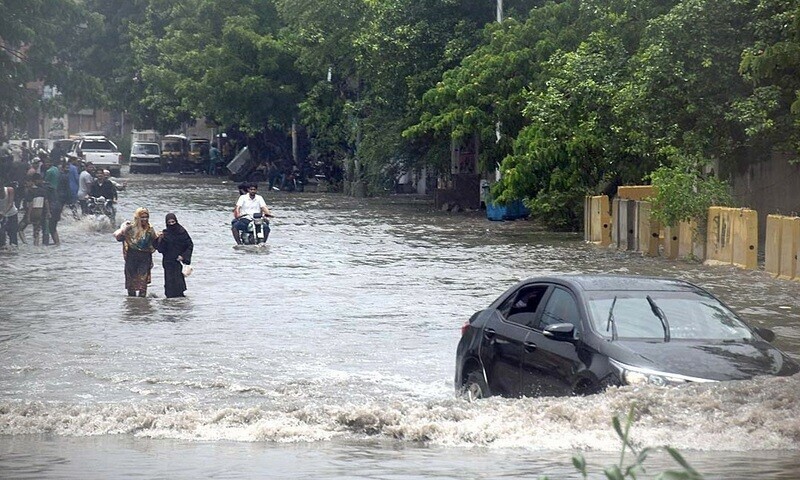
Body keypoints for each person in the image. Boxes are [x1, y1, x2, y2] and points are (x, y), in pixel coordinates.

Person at [114, 207, 159, 297]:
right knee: (131, 283)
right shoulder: (130, 227)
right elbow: (118, 237)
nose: (144, 219)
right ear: (137, 217)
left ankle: (143, 303)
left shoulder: (150, 229)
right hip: (132, 256)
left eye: (146, 217)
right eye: (142, 217)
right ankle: (132, 304)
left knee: (143, 283)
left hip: (145, 257)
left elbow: (155, 242)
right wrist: (124, 231)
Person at [153, 213, 193, 298]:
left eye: (173, 222)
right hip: (167, 261)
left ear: (176, 221)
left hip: (177, 261)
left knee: (179, 284)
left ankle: (180, 302)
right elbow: (159, 249)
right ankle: (170, 305)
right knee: (169, 285)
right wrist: (160, 239)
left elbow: (189, 245)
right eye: (169, 222)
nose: (171, 224)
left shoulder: (182, 232)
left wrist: (183, 256)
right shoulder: (165, 233)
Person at [0, 183, 18, 248]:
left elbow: (10, 203)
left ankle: (14, 249)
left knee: (13, 233)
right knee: (1, 233)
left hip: (12, 214)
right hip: (1, 216)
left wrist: (4, 213)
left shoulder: (10, 190)